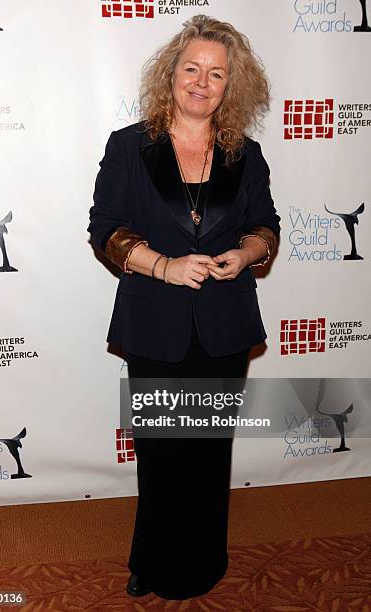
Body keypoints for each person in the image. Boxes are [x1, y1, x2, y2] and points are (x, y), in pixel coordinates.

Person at [88, 14, 280, 601]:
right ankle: (152, 562)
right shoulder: (129, 145)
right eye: (191, 69)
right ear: (170, 74)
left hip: (224, 324)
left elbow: (265, 228)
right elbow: (105, 230)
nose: (202, 82)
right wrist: (164, 266)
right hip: (155, 321)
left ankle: (204, 561)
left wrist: (245, 253)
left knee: (207, 452)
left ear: (231, 85)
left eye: (216, 74)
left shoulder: (245, 155)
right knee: (162, 453)